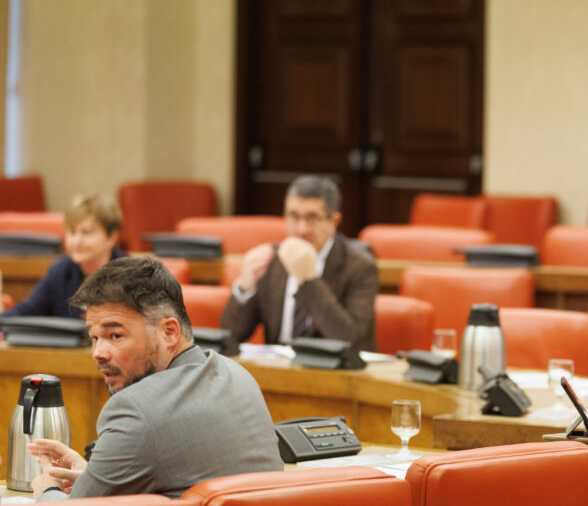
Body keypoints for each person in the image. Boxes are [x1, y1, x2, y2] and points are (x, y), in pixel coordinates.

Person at [28, 256, 283, 501]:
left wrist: (48, 489)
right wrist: (96, 474)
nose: (98, 353)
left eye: (115, 335)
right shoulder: (239, 375)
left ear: (169, 332)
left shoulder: (134, 410)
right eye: (94, 337)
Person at [220, 175, 378, 351]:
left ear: (334, 222)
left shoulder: (361, 267)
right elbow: (230, 336)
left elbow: (352, 339)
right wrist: (245, 288)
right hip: (278, 372)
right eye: (294, 217)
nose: (302, 229)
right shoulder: (271, 260)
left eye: (312, 218)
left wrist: (309, 281)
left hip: (333, 374)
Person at [3, 194, 125, 318]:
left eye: (86, 233)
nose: (77, 241)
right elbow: (28, 310)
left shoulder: (130, 275)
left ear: (111, 238)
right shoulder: (60, 270)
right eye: (72, 232)